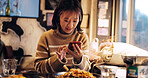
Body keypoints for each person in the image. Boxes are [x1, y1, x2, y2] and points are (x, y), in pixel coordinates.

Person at [34, 0, 91, 74]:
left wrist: (79, 58)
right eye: (66, 20)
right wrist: (57, 60)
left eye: (74, 21)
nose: (70, 25)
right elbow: (38, 68)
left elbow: (87, 70)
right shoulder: (46, 37)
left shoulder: (82, 37)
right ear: (58, 17)